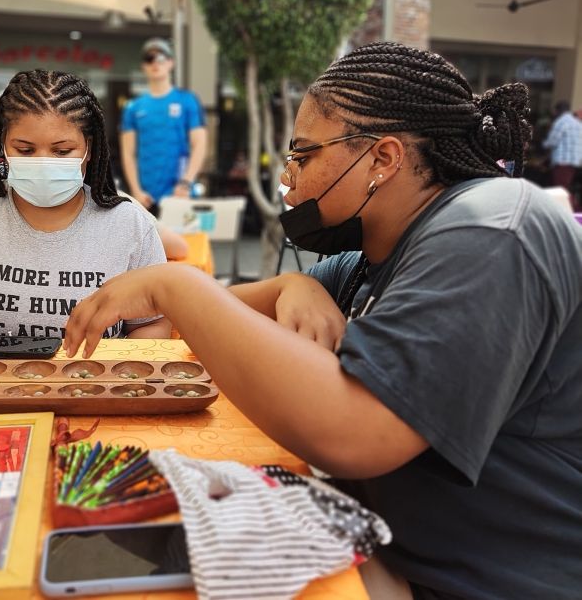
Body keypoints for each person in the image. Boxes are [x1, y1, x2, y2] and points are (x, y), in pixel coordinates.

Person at [64, 42, 582, 599]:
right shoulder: (369, 259)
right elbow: (217, 328)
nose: (289, 178)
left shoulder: (490, 234)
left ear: (383, 159)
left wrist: (177, 283)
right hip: (384, 547)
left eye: (305, 155)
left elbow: (355, 433)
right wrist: (293, 283)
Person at [0, 69, 171, 340]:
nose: (42, 163)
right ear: (2, 146)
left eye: (62, 151)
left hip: (92, 382)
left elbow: (153, 323)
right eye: (25, 150)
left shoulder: (129, 223)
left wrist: (123, 369)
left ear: (89, 149)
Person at [120, 38, 207, 214]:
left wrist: (186, 182)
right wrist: (136, 191)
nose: (155, 63)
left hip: (180, 195)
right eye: (149, 59)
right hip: (145, 198)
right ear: (143, 66)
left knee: (184, 242)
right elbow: (128, 153)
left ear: (171, 63)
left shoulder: (188, 101)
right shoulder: (133, 107)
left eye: (161, 58)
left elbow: (200, 144)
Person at [543, 100, 582, 211]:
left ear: (557, 111)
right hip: (574, 162)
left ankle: (573, 211)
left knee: (561, 189)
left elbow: (552, 141)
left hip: (563, 161)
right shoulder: (577, 123)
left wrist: (543, 144)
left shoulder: (561, 122)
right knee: (565, 187)